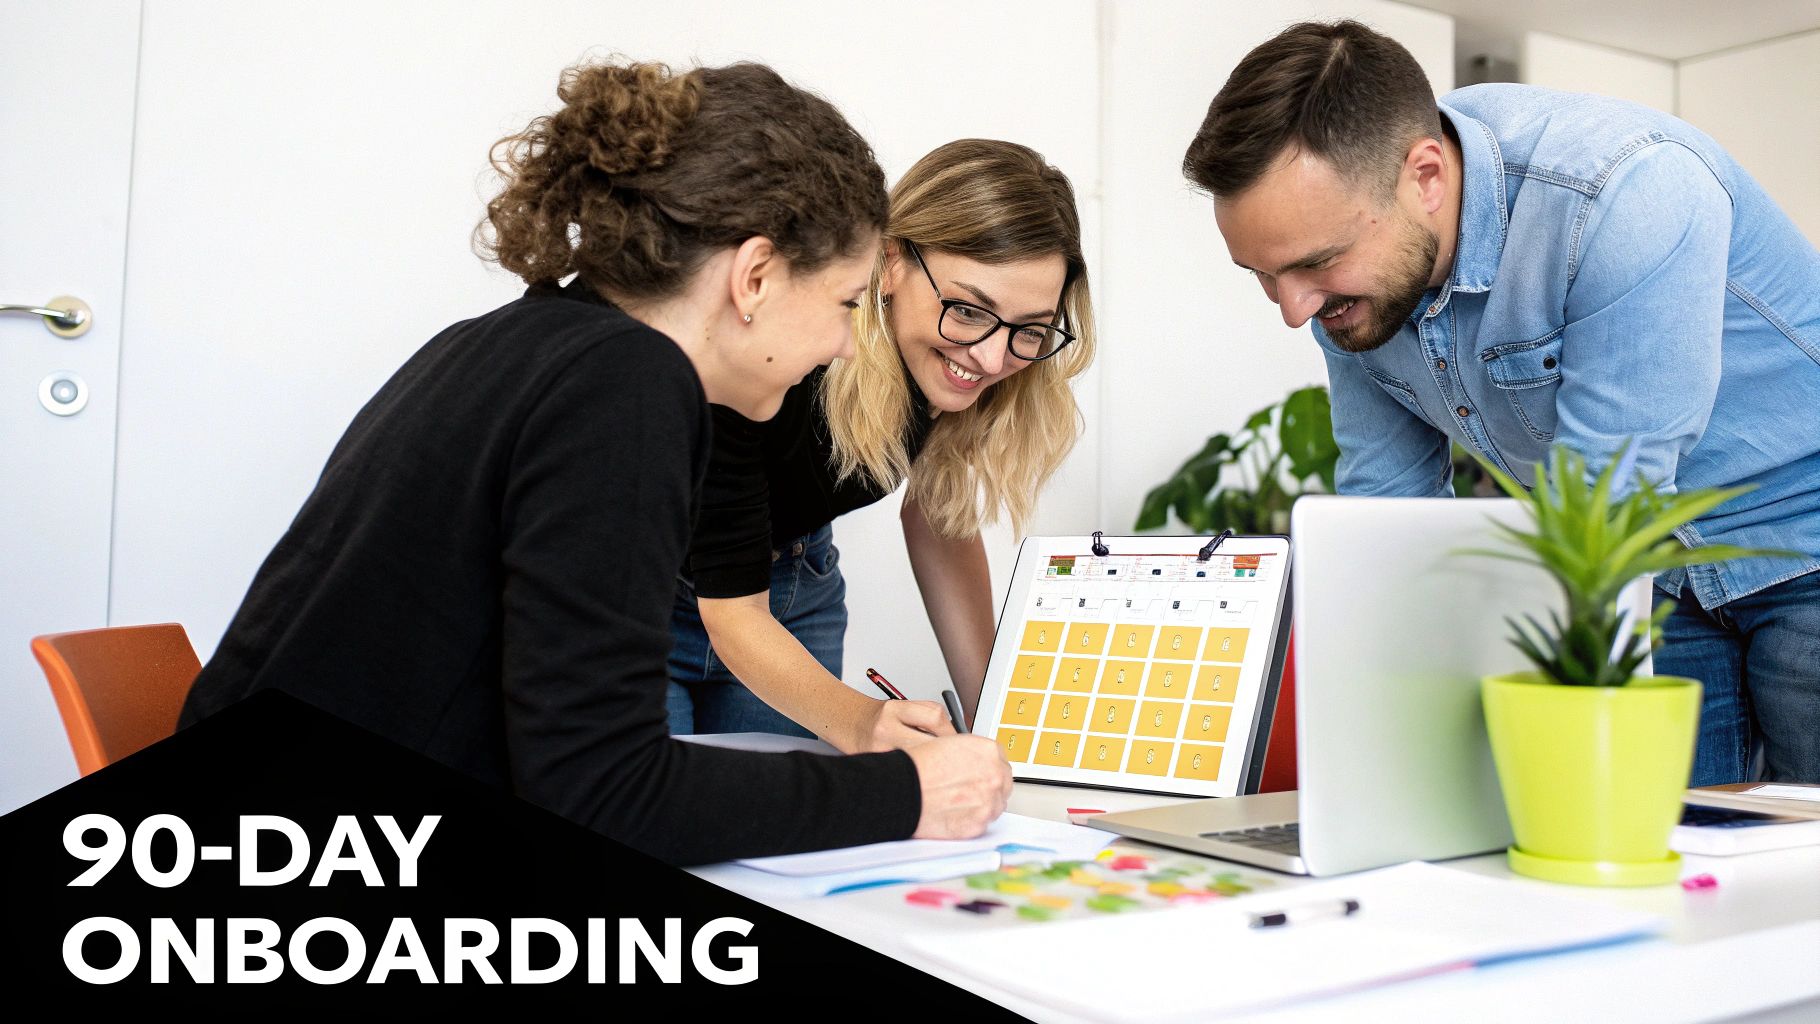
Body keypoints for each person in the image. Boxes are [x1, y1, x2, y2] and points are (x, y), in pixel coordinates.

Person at [178, 59, 1011, 865]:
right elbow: (603, 793)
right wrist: (904, 794)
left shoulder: (515, 340)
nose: (839, 346)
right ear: (754, 276)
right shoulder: (631, 386)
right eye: (843, 304)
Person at [1182, 21, 1820, 784]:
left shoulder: (1624, 187)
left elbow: (1606, 493)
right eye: (1263, 273)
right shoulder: (1348, 297)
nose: (1292, 309)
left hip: (1799, 541)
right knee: (1663, 865)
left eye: (1318, 263)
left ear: (1426, 177)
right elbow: (1388, 516)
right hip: (1665, 578)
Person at [671, 139, 1096, 752]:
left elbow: (940, 515)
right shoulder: (778, 347)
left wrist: (998, 727)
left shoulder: (958, 369)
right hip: (649, 592)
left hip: (793, 589)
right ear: (890, 261)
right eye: (969, 311)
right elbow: (732, 612)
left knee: (783, 841)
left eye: (1030, 330)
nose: (992, 357)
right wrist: (863, 723)